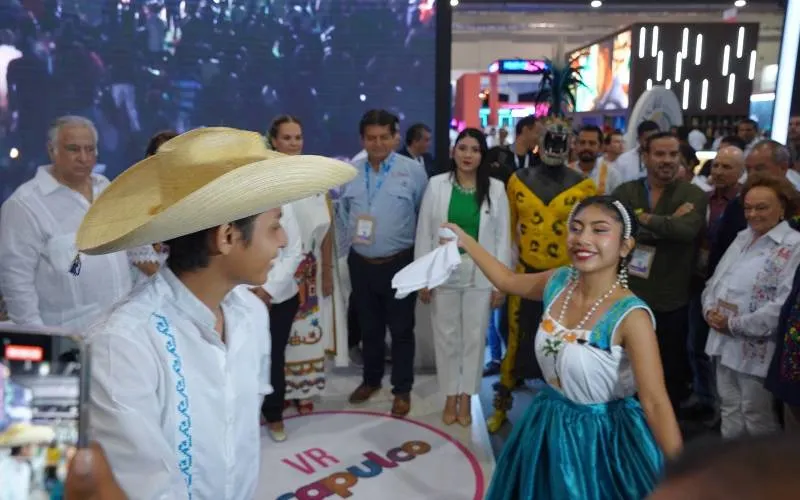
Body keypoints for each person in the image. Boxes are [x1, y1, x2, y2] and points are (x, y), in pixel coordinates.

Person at [74, 127, 355, 499]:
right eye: (274, 226)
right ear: (227, 236)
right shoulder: (123, 346)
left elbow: (239, 448)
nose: (283, 240)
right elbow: (139, 486)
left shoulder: (251, 315)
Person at [444, 195, 682, 499]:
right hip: (547, 426)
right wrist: (465, 241)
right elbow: (507, 280)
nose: (583, 239)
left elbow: (656, 402)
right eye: (576, 228)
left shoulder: (631, 316)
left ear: (625, 246)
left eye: (599, 230)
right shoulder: (558, 282)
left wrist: (687, 474)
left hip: (602, 443)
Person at [489, 117, 596, 433]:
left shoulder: (584, 186)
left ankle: (563, 412)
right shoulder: (518, 181)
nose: (555, 145)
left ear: (569, 143)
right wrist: (503, 275)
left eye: (562, 140)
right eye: (550, 138)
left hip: (566, 279)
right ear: (540, 140)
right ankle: (502, 403)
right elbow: (507, 233)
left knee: (565, 344)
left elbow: (590, 237)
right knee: (516, 339)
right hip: (525, 274)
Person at [415, 128, 510, 426]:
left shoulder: (496, 189)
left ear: (483, 155)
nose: (468, 155)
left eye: (475, 150)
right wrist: (424, 277)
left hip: (480, 273)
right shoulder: (436, 185)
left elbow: (502, 237)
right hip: (443, 271)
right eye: (463, 148)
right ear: (453, 151)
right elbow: (424, 233)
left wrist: (499, 282)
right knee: (446, 338)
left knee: (474, 338)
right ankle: (450, 395)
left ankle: (467, 396)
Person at [339, 110, 428, 417]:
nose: (377, 144)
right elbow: (344, 215)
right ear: (362, 139)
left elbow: (423, 215)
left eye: (384, 137)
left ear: (395, 137)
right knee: (369, 328)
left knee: (401, 330)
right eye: (371, 138)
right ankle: (371, 380)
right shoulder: (351, 171)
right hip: (361, 263)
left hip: (399, 262)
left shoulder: (413, 171)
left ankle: (401, 390)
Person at [703, 174, 800, 437]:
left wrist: (735, 325)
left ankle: (762, 465)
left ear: (782, 207)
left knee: (756, 414)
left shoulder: (794, 245)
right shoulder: (742, 237)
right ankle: (731, 461)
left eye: (761, 207)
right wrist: (709, 310)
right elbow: (716, 281)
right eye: (748, 208)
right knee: (729, 407)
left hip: (760, 345)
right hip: (723, 340)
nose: (753, 214)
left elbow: (784, 304)